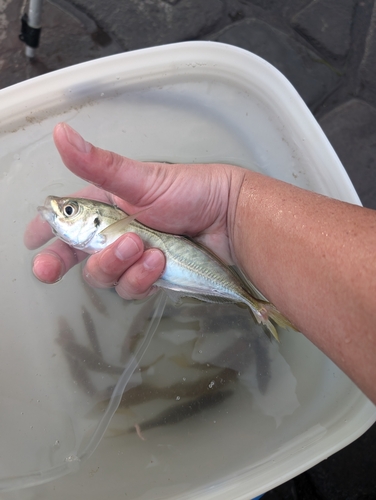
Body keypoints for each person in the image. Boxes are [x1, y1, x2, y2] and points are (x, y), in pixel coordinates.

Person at [25, 123, 376, 405]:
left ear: (99, 221)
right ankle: (258, 305)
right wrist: (229, 206)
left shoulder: (115, 219)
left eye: (69, 211)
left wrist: (229, 205)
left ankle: (259, 306)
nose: (60, 212)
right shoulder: (110, 224)